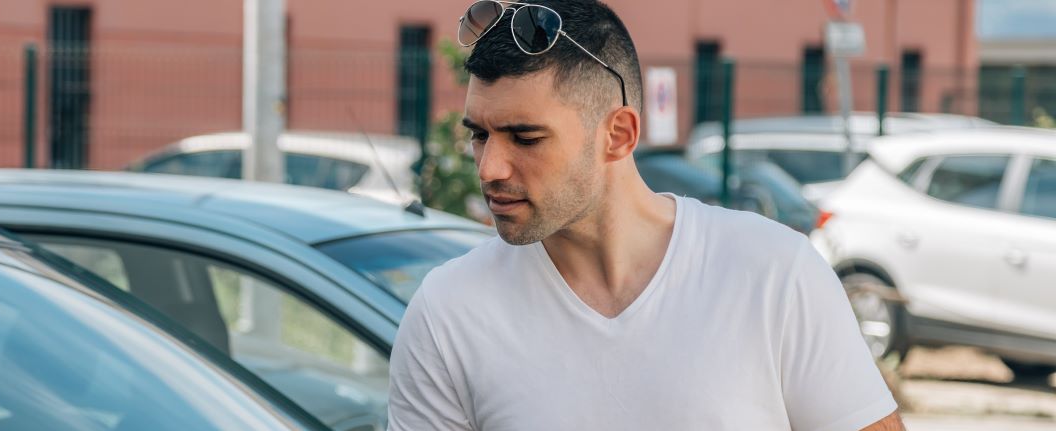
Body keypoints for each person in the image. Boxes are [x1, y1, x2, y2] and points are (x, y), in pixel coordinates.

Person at [387, 1, 903, 430]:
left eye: (525, 138)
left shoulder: (772, 274)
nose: (490, 168)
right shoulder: (447, 313)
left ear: (619, 135)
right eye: (479, 134)